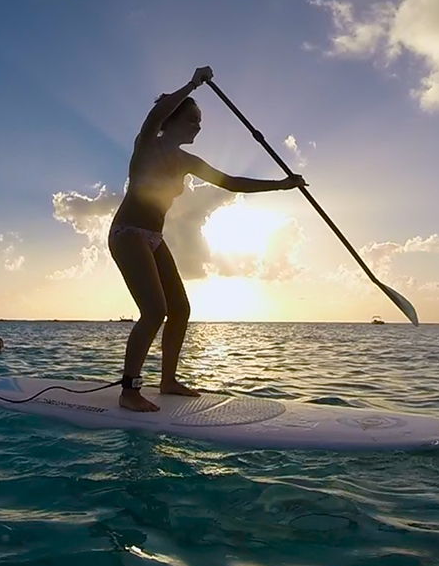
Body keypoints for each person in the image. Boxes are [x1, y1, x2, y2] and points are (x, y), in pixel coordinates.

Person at [110, 65, 305, 412]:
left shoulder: (187, 161)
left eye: (200, 121)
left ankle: (167, 381)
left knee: (181, 309)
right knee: (154, 311)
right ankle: (130, 390)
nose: (198, 125)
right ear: (172, 120)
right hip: (127, 234)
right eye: (192, 119)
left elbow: (230, 183)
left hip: (153, 237)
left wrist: (281, 185)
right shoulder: (147, 144)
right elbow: (156, 111)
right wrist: (192, 83)